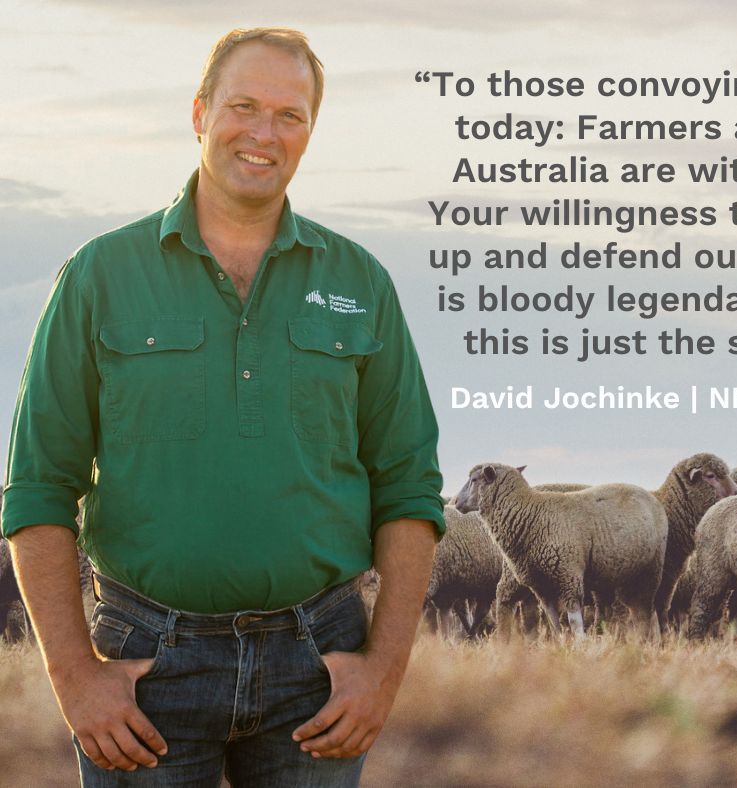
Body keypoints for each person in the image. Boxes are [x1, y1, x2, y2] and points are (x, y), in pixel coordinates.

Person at [1, 27, 444, 786]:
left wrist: (383, 671)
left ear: (310, 130)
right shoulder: (100, 276)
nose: (264, 133)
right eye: (244, 106)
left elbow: (407, 486)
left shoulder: (361, 282)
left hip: (320, 666)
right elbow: (39, 486)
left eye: (290, 115)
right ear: (201, 113)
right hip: (146, 665)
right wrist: (75, 676)